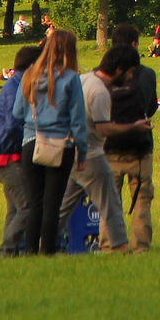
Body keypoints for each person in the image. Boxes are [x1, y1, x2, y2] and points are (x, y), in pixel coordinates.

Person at [13, 29, 87, 256]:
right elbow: (78, 119)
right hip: (60, 144)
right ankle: (48, 250)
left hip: (30, 142)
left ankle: (30, 250)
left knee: (35, 202)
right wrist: (82, 151)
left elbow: (17, 112)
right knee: (52, 204)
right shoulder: (71, 79)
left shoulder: (29, 76)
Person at [59, 45, 130, 253]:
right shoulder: (99, 91)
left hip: (71, 152)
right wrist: (132, 127)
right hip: (91, 154)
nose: (130, 77)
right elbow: (104, 128)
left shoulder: (83, 80)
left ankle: (39, 243)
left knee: (63, 206)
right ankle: (120, 247)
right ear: (119, 69)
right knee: (110, 204)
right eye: (129, 72)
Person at [99, 34, 159, 253]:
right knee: (142, 199)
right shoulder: (146, 74)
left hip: (109, 149)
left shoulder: (102, 78)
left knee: (109, 201)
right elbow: (151, 107)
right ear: (134, 44)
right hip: (140, 150)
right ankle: (141, 246)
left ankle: (109, 245)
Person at [0, 44, 42, 255]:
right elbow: (13, 124)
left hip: (1, 156)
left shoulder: (14, 84)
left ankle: (12, 251)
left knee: (14, 208)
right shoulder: (19, 88)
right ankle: (7, 249)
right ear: (31, 66)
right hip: (11, 156)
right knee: (28, 206)